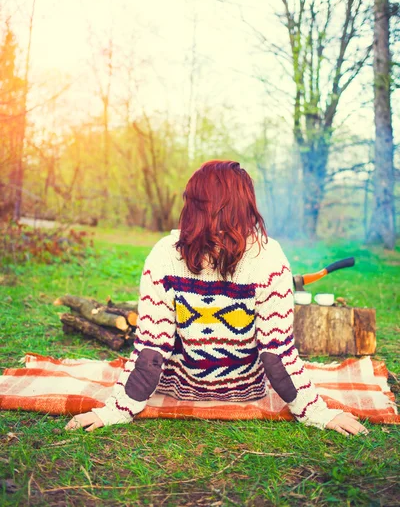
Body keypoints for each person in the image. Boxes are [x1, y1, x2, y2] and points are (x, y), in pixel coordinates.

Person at [65, 160, 368, 436]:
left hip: (178, 387)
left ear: (194, 206)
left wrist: (116, 409)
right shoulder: (270, 256)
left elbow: (151, 347)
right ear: (244, 205)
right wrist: (315, 410)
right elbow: (277, 352)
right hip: (246, 389)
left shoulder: (163, 254)